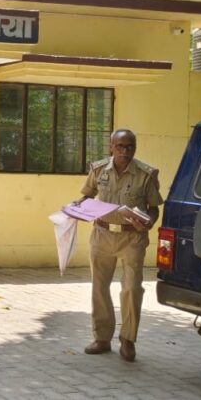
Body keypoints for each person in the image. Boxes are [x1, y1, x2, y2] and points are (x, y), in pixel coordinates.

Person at [77, 129, 162, 362]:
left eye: (130, 146)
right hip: (102, 234)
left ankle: (128, 339)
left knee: (132, 288)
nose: (125, 151)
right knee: (99, 287)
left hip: (132, 239)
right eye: (120, 146)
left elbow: (154, 207)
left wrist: (149, 222)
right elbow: (87, 196)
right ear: (111, 147)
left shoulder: (145, 174)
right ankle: (102, 338)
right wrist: (76, 207)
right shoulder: (98, 170)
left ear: (135, 148)